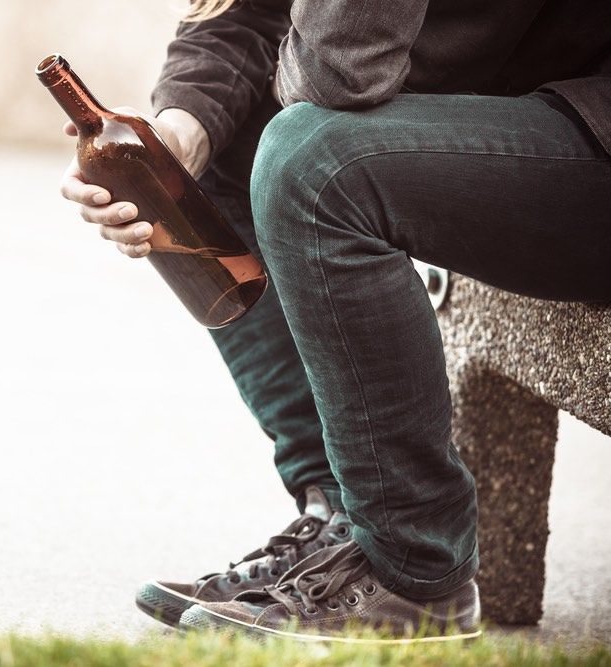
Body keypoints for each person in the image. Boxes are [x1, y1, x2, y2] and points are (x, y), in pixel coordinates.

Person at [58, 0, 611, 642]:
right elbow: (247, 13)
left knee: (311, 160)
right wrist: (179, 131)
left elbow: (342, 72)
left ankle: (415, 572)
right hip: (533, 106)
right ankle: (342, 519)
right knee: (219, 147)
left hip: (592, 128)